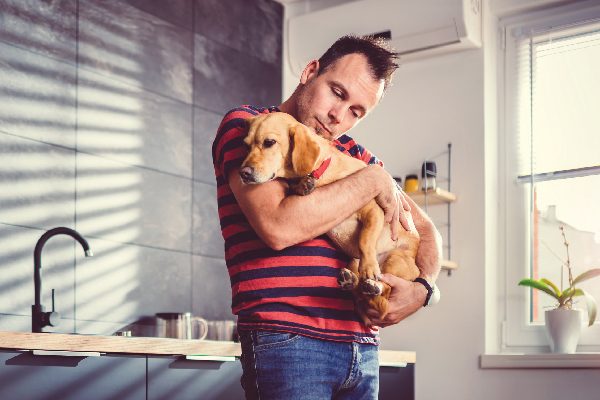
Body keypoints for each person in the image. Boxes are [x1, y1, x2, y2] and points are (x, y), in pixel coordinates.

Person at [212, 35, 442, 400]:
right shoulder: (251, 128)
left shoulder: (356, 154)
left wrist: (424, 289)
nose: (339, 116)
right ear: (310, 71)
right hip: (287, 342)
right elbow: (278, 227)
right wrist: (370, 180)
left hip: (363, 349)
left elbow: (427, 231)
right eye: (337, 92)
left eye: (356, 111)